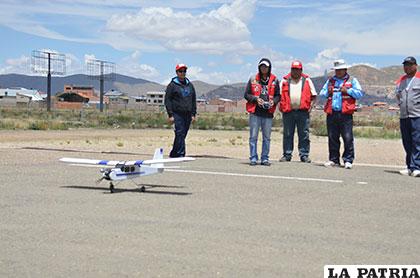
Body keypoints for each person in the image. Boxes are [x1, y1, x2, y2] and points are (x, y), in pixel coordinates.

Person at [319, 59, 363, 169]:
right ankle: (334, 159)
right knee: (332, 137)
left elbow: (359, 93)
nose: (338, 72)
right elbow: (322, 93)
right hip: (332, 112)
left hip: (345, 114)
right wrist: (328, 92)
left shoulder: (352, 80)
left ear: (345, 69)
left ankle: (348, 159)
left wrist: (348, 91)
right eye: (336, 70)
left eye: (340, 70)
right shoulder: (330, 81)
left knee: (347, 137)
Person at [279, 61, 317, 163]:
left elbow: (314, 95)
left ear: (301, 70)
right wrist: (280, 106)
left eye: (297, 69)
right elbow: (278, 96)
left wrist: (311, 107)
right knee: (287, 133)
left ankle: (304, 155)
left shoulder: (307, 80)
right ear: (291, 69)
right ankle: (287, 155)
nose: (295, 71)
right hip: (288, 112)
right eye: (293, 69)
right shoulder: (284, 80)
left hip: (303, 112)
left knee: (304, 134)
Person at [244, 58, 280, 166]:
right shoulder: (252, 79)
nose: (264, 68)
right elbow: (246, 95)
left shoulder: (275, 80)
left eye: (266, 67)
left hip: (268, 113)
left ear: (269, 68)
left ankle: (265, 158)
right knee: (253, 136)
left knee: (267, 137)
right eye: (262, 66)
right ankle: (253, 158)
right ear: (259, 67)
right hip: (255, 112)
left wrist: (273, 101)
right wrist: (256, 99)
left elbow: (278, 95)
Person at [164, 63, 197, 158]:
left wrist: (193, 114)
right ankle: (181, 154)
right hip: (177, 113)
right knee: (180, 133)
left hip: (187, 114)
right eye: (180, 71)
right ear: (177, 72)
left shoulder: (190, 85)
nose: (182, 73)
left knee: (182, 134)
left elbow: (193, 100)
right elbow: (167, 100)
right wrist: (170, 115)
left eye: (184, 71)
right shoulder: (172, 85)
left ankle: (174, 153)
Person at [395, 56, 420, 177]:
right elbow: (398, 95)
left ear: (416, 66)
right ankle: (409, 166)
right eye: (405, 65)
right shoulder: (401, 80)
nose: (407, 67)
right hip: (404, 116)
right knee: (407, 141)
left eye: (410, 65)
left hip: (417, 115)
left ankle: (417, 166)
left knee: (417, 141)